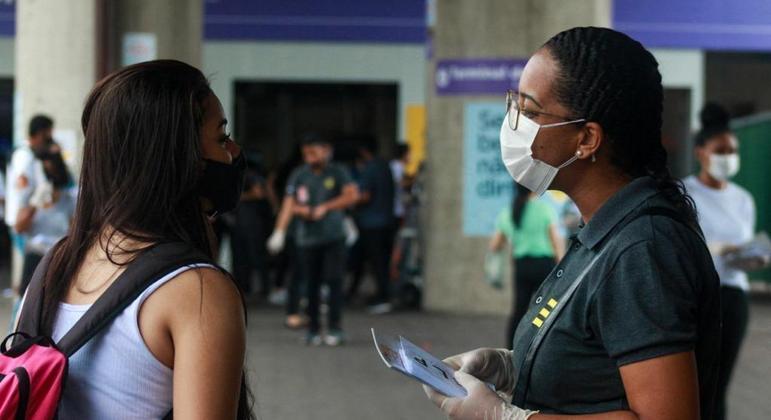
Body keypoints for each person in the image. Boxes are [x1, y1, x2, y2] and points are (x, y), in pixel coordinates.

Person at [424, 27, 720, 420]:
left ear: (586, 139)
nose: (513, 124)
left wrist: (508, 418)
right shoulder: (602, 231)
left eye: (529, 113)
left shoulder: (641, 249)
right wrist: (515, 368)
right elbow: (597, 359)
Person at [17, 60, 252, 418]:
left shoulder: (57, 264)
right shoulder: (198, 290)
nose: (233, 152)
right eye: (221, 137)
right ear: (175, 155)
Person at [683, 103, 762, 420]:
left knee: (720, 386)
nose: (728, 157)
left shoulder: (744, 199)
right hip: (697, 298)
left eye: (732, 150)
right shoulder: (683, 192)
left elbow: (746, 247)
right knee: (695, 384)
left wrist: (750, 257)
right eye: (721, 150)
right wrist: (715, 249)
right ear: (701, 151)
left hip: (733, 297)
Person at [267, 134, 358, 346]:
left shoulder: (338, 172)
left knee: (334, 281)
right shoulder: (300, 175)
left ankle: (335, 328)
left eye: (314, 152)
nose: (310, 157)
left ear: (326, 150)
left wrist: (325, 207)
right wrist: (279, 231)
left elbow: (352, 195)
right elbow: (289, 204)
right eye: (306, 153)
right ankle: (313, 329)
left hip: (333, 236)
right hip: (307, 239)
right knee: (310, 284)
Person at [489, 183, 564, 349]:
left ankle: (512, 349)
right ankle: (540, 346)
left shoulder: (509, 212)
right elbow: (555, 240)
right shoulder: (544, 209)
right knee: (545, 308)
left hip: (522, 267)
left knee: (519, 310)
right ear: (533, 188)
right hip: (545, 265)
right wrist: (562, 264)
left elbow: (494, 245)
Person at [348, 139, 395, 314]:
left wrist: (349, 200)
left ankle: (383, 297)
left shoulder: (370, 168)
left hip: (371, 223)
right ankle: (359, 292)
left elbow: (365, 195)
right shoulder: (385, 166)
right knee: (379, 260)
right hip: (386, 221)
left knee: (376, 263)